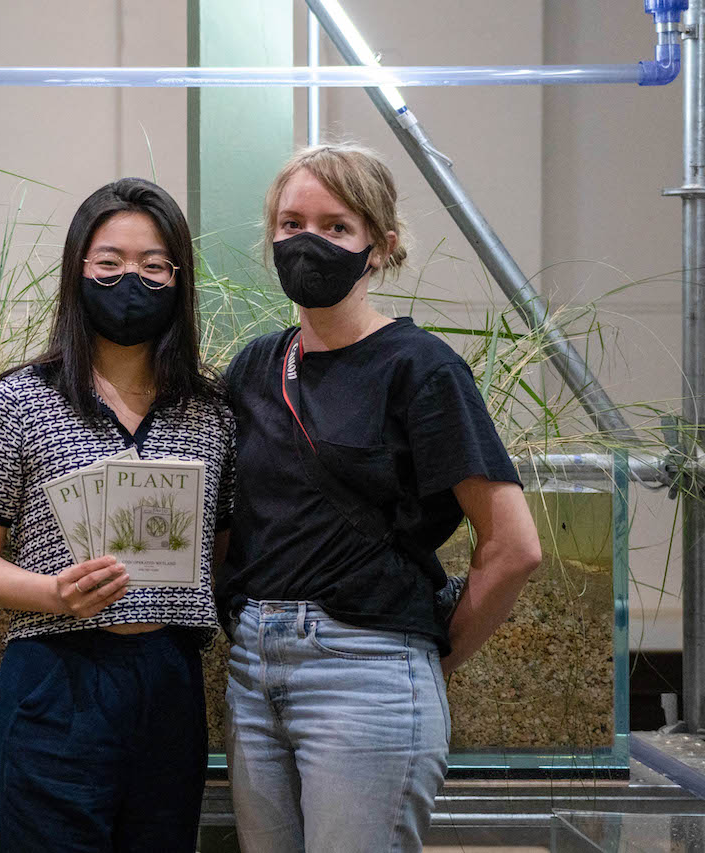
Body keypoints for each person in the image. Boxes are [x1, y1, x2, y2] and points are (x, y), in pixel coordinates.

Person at [215, 144, 542, 853]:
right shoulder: (253, 366)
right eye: (292, 221)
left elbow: (514, 547)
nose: (309, 241)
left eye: (336, 226)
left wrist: (430, 656)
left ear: (380, 245)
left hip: (367, 671)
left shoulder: (420, 368)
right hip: (252, 672)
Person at [0, 177, 234, 852]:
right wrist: (52, 591)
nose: (130, 279)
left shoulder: (213, 412)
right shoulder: (20, 400)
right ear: (79, 270)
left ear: (179, 278)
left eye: (153, 265)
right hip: (56, 674)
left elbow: (218, 553)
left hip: (169, 680)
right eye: (109, 263)